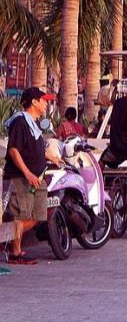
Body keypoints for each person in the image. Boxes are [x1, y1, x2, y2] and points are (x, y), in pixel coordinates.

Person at [2, 88, 61, 265]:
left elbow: (33, 149)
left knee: (38, 214)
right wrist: (27, 173)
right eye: (43, 100)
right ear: (34, 102)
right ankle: (15, 252)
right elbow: (14, 150)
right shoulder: (20, 121)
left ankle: (8, 238)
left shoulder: (33, 123)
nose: (46, 104)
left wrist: (49, 157)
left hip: (37, 177)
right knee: (21, 214)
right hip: (21, 177)